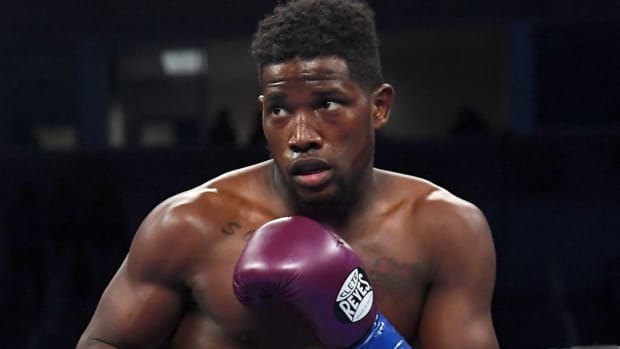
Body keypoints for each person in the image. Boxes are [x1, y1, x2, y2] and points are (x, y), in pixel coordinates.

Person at [77, 0, 499, 348]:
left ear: (379, 107)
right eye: (280, 109)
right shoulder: (189, 225)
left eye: (326, 103)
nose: (300, 136)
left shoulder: (445, 231)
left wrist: (370, 339)